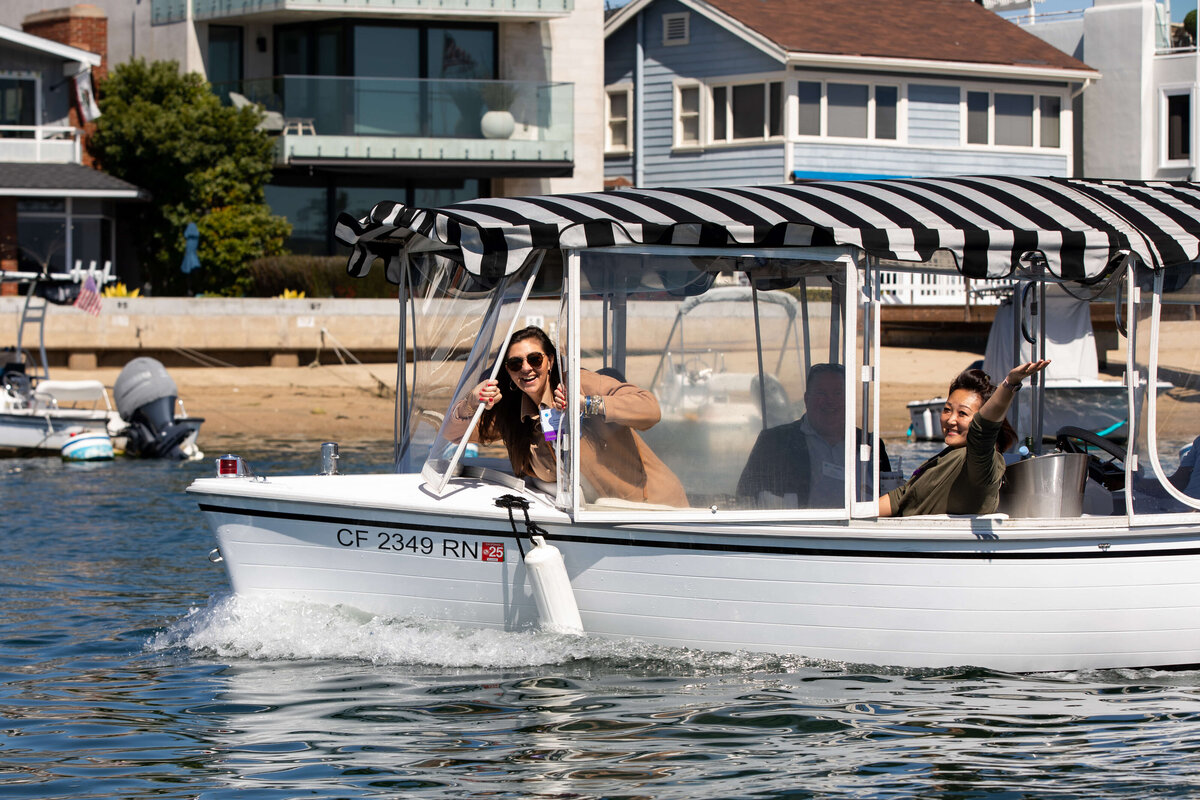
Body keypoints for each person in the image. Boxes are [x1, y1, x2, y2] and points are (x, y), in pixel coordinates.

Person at [449, 326, 688, 507]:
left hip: (651, 509)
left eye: (534, 359)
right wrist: (469, 403)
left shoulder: (579, 383)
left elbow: (650, 409)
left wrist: (586, 405)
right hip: (595, 515)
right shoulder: (515, 416)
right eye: (515, 363)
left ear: (550, 361)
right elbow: (454, 435)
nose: (526, 368)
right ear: (509, 372)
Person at [879, 360, 1050, 517]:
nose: (951, 420)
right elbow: (901, 497)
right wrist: (857, 512)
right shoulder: (948, 455)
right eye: (947, 410)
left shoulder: (980, 462)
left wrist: (1009, 384)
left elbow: (982, 431)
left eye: (962, 413)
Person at [736, 363, 891, 508]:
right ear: (806, 399)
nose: (830, 400)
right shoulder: (774, 442)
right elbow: (745, 498)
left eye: (838, 393)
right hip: (797, 534)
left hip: (860, 534)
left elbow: (892, 500)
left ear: (849, 399)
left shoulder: (871, 445)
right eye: (821, 393)